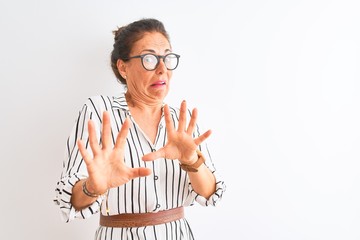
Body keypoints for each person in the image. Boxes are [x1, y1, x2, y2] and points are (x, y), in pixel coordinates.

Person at [54, 18, 226, 240]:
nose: (162, 69)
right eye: (149, 59)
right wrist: (92, 187)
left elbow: (211, 193)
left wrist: (192, 160)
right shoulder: (100, 111)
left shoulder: (180, 121)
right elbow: (70, 201)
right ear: (123, 67)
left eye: (167, 57)